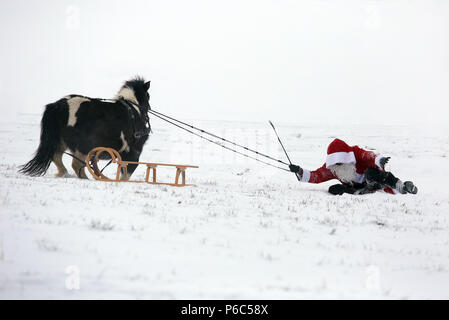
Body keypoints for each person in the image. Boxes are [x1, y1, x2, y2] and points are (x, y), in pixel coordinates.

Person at [289, 138, 418, 195]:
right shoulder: (333, 167)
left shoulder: (356, 153)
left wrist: (379, 159)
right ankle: (358, 192)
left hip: (375, 182)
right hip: (357, 188)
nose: (338, 166)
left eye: (340, 162)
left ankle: (402, 186)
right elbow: (316, 176)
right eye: (335, 163)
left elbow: (369, 156)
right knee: (333, 189)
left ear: (346, 157)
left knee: (372, 173)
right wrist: (299, 171)